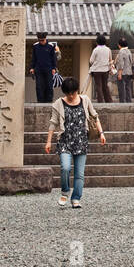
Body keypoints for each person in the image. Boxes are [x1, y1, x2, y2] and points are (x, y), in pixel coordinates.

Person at [44, 77, 106, 209]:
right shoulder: (58, 104)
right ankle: (65, 192)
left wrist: (101, 133)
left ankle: (76, 198)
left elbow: (95, 116)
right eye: (68, 93)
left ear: (77, 90)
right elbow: (53, 123)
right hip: (65, 141)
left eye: (73, 93)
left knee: (79, 174)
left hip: (81, 141)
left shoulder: (85, 100)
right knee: (65, 167)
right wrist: (48, 142)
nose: (71, 96)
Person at [30, 32, 60, 104]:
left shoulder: (51, 46)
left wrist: (54, 68)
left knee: (49, 86)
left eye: (42, 40)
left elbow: (54, 58)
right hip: (38, 69)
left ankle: (49, 101)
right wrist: (32, 68)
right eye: (40, 40)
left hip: (49, 69)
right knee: (39, 86)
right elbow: (33, 58)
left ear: (45, 39)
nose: (41, 42)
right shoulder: (35, 46)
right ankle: (40, 101)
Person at [89, 33, 113, 103]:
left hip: (97, 70)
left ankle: (100, 101)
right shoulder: (108, 49)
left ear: (97, 41)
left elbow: (91, 61)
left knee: (98, 86)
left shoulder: (96, 50)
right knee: (105, 85)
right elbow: (110, 59)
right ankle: (108, 100)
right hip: (105, 70)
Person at [115, 39, 134, 103]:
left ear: (119, 45)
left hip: (123, 72)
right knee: (128, 88)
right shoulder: (129, 51)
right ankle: (129, 101)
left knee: (121, 88)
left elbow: (121, 63)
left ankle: (122, 102)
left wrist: (119, 73)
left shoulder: (121, 52)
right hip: (129, 72)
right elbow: (131, 61)